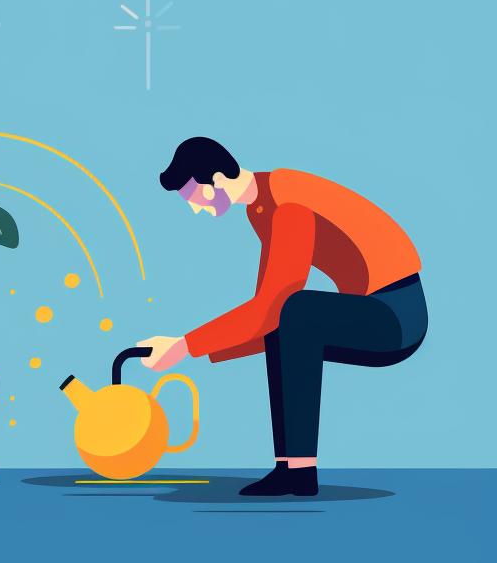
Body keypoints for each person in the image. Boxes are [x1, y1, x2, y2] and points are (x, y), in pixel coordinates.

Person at [138, 137, 427, 497]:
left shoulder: (286, 203)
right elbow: (267, 315)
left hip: (397, 315)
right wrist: (199, 350)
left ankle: (299, 471)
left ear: (217, 178)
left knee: (296, 311)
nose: (196, 210)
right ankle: (294, 470)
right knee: (288, 319)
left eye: (195, 197)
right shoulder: (261, 206)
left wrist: (185, 347)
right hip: (377, 311)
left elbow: (271, 307)